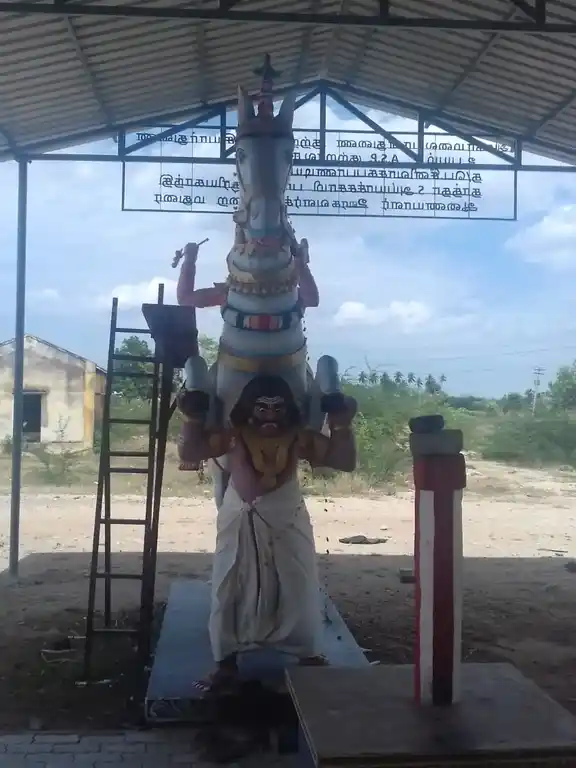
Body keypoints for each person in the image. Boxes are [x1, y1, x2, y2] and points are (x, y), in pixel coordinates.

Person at [177, 374, 357, 692]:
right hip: (238, 523)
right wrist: (191, 418)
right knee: (229, 585)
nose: (270, 415)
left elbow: (344, 461)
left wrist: (342, 425)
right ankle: (226, 663)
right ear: (248, 409)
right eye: (262, 408)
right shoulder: (232, 436)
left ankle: (308, 655)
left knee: (298, 584)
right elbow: (190, 453)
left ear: (288, 410)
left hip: (287, 520)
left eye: (277, 408)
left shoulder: (299, 438)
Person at [175, 236, 319, 309]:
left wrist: (189, 260)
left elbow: (312, 299)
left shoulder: (287, 292)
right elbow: (186, 300)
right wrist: (301, 264)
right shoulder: (232, 293)